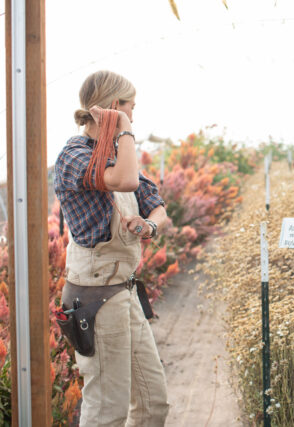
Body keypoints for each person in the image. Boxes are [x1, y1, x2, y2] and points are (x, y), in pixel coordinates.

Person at [54, 70, 170, 426]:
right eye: (130, 109)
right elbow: (126, 180)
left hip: (124, 292)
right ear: (114, 108)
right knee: (108, 409)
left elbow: (157, 204)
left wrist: (149, 224)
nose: (134, 117)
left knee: (154, 403)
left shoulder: (119, 154)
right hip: (96, 299)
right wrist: (122, 128)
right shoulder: (75, 155)